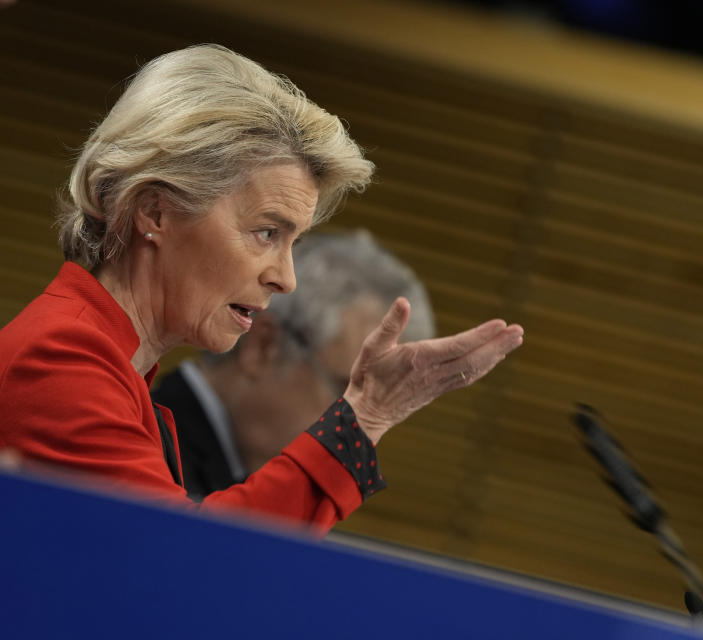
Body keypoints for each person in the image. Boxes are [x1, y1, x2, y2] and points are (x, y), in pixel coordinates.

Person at [0, 44, 523, 532]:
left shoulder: (109, 365)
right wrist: (363, 417)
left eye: (293, 241)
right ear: (154, 211)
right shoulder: (63, 358)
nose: (286, 278)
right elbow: (190, 574)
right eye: (266, 232)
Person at [151, 230, 436, 499]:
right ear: (264, 347)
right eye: (347, 392)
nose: (359, 430)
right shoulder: (145, 457)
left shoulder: (253, 484)